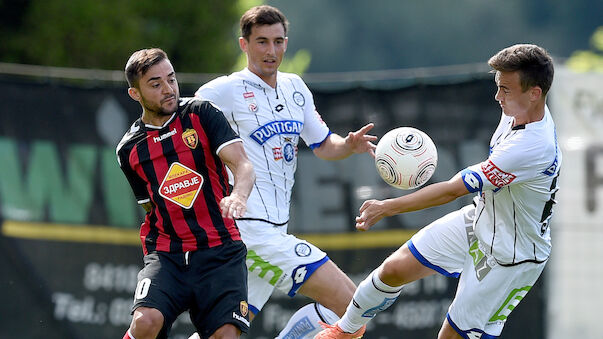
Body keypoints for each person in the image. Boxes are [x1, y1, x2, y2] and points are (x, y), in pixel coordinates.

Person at [315, 44, 561, 339]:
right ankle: (345, 332)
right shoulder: (519, 111)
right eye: (498, 87)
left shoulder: (531, 146)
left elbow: (450, 191)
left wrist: (387, 207)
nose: (497, 97)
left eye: (505, 89)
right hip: (480, 219)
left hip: (509, 256)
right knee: (394, 269)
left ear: (534, 92)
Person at [190, 5, 377, 339]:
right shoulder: (223, 91)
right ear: (243, 44)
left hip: (272, 229)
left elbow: (322, 145)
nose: (271, 50)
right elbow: (183, 132)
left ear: (286, 43)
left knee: (221, 335)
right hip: (248, 231)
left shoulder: (295, 87)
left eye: (278, 41)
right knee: (352, 309)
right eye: (261, 41)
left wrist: (348, 145)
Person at [117, 48, 256, 339]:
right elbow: (150, 207)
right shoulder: (129, 149)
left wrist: (239, 196)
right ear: (135, 94)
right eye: (155, 84)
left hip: (221, 251)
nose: (168, 89)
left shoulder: (201, 113)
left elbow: (243, 164)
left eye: (171, 79)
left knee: (226, 336)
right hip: (168, 256)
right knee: (145, 323)